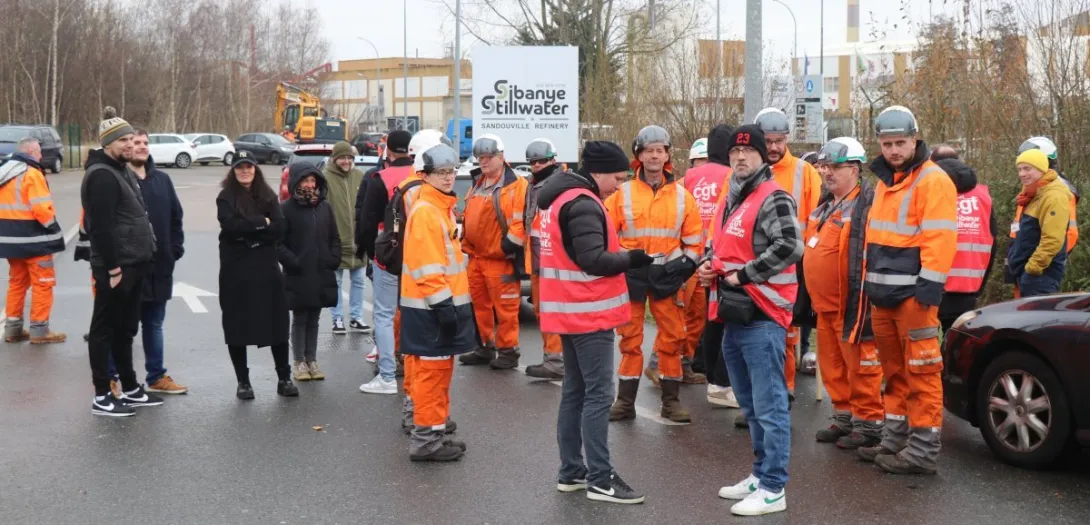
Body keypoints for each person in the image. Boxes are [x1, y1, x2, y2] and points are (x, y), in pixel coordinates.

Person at [539, 141, 652, 504]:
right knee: (599, 395)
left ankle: (571, 471)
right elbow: (593, 260)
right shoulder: (584, 203)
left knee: (574, 392)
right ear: (598, 172)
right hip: (589, 312)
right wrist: (632, 258)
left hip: (569, 310)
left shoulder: (558, 197)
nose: (619, 184)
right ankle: (601, 479)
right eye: (617, 177)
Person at [699, 125, 802, 516]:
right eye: (734, 153)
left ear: (763, 156)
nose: (740, 158)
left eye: (748, 152)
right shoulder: (733, 198)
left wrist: (744, 274)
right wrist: (711, 267)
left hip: (763, 314)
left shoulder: (772, 196)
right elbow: (725, 246)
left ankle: (774, 487)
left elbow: (791, 246)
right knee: (749, 403)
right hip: (734, 313)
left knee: (770, 404)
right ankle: (760, 474)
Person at [858, 105, 957, 475]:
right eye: (887, 144)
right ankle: (896, 438)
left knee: (922, 372)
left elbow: (940, 237)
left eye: (900, 143)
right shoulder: (887, 181)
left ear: (915, 139)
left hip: (914, 298)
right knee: (894, 371)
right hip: (884, 296)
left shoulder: (932, 180)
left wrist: (928, 290)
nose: (894, 150)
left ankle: (922, 450)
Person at [605, 125, 703, 423]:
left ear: (668, 155)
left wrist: (684, 268)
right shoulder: (622, 194)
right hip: (632, 275)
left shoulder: (684, 197)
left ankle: (670, 402)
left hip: (667, 277)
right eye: (649, 151)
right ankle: (624, 402)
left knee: (673, 338)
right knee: (630, 339)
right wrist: (620, 263)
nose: (655, 156)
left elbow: (696, 240)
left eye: (660, 150)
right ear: (639, 155)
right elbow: (608, 234)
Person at [802, 137, 884, 450]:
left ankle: (869, 422)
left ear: (855, 168)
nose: (827, 173)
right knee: (832, 365)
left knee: (861, 364)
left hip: (853, 303)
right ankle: (845, 415)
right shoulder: (825, 206)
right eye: (824, 167)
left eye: (835, 167)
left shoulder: (866, 205)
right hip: (824, 305)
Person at [82, 107, 162, 417]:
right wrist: (113, 268)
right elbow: (100, 226)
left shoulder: (121, 169)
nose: (131, 145)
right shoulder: (102, 175)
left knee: (126, 329)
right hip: (116, 268)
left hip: (135, 263)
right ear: (109, 143)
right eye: (125, 140)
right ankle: (102, 394)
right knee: (104, 329)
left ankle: (129, 388)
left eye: (133, 139)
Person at [400, 143, 477, 462]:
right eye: (442, 173)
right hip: (432, 309)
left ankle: (432, 430)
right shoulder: (427, 212)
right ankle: (426, 440)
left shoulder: (437, 208)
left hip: (432, 307)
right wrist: (444, 307)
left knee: (434, 373)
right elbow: (428, 269)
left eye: (451, 172)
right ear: (425, 176)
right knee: (432, 375)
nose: (448, 178)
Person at [104, 131, 188, 395]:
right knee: (120, 325)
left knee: (154, 324)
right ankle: (110, 377)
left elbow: (176, 217)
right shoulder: (116, 179)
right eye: (135, 143)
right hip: (128, 267)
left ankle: (156, 376)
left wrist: (174, 249)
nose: (140, 147)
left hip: (160, 267)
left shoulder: (162, 180)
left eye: (144, 143)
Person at [753, 107, 823, 402]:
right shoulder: (747, 172)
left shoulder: (803, 172)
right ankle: (761, 393)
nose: (773, 147)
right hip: (756, 267)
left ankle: (785, 389)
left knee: (788, 331)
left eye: (778, 141)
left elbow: (819, 215)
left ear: (786, 139)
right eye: (767, 141)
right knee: (756, 333)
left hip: (794, 266)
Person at [217, 150, 297, 400]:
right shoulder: (225, 197)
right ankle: (243, 382)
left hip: (265, 267)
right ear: (233, 170)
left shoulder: (268, 195)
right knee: (236, 325)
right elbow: (230, 227)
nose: (244, 171)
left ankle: (284, 378)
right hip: (236, 269)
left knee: (277, 322)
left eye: (249, 166)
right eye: (240, 167)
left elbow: (279, 228)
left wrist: (253, 227)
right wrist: (261, 223)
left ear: (255, 169)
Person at [458, 134, 530, 370]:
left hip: (501, 260)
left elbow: (523, 220)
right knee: (479, 306)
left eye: (489, 157)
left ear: (501, 157)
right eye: (480, 158)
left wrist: (508, 245)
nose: (484, 162)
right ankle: (484, 347)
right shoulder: (478, 183)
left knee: (506, 309)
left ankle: (508, 351)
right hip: (477, 258)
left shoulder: (517, 185)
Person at [355, 130, 414, 392]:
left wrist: (368, 252)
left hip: (388, 256)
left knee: (384, 315)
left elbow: (367, 223)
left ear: (387, 151)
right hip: (419, 256)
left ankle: (387, 376)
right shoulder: (420, 177)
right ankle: (413, 372)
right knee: (413, 314)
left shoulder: (380, 179)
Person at [683, 127, 736, 407]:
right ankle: (713, 374)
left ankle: (688, 363)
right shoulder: (732, 176)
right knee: (715, 315)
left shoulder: (690, 176)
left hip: (690, 252)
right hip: (718, 253)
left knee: (690, 312)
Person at [0, 137, 66, 344]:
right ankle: (39, 330)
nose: (41, 157)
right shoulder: (31, 174)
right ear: (31, 152)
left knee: (17, 283)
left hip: (10, 241)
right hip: (34, 239)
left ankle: (13, 329)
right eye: (38, 153)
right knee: (43, 283)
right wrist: (54, 228)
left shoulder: (5, 172)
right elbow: (41, 209)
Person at [278, 164, 340, 382]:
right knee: (300, 316)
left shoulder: (325, 208)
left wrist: (333, 258)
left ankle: (312, 359)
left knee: (315, 316)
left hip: (321, 272)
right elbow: (279, 243)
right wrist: (294, 262)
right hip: (298, 273)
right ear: (296, 182)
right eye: (305, 180)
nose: (310, 185)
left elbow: (334, 237)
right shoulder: (286, 209)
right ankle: (299, 362)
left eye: (313, 181)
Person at [936, 157, 996, 335]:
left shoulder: (932, 191)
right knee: (960, 344)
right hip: (969, 288)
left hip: (932, 286)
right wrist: (980, 286)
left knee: (923, 348)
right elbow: (992, 243)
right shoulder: (983, 197)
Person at [523, 138, 566, 380]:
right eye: (533, 162)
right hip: (538, 257)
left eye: (542, 161)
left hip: (553, 259)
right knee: (542, 310)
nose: (537, 165)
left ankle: (556, 361)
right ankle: (552, 358)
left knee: (551, 311)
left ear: (553, 160)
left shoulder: (560, 184)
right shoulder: (533, 185)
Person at [1005, 149, 1072, 297]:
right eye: (1020, 169)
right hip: (1027, 275)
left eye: (1027, 168)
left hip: (1040, 276)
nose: (1022, 174)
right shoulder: (1033, 194)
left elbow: (1052, 240)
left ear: (1042, 169)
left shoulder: (1054, 196)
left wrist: (1033, 268)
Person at [323, 141, 372, 335]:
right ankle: (337, 319)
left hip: (358, 241)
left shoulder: (360, 176)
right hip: (336, 241)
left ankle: (356, 317)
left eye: (349, 158)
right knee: (335, 282)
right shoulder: (325, 178)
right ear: (335, 159)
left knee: (359, 281)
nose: (346, 161)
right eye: (342, 157)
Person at [1012, 137, 1079, 258]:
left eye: (1028, 167)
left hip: (1040, 261)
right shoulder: (1032, 187)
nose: (1023, 173)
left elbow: (1070, 233)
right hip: (1020, 252)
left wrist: (1043, 261)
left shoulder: (1059, 190)